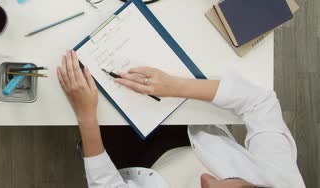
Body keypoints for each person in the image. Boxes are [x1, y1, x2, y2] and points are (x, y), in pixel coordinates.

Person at [57, 50, 305, 188]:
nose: (205, 178)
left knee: (98, 112)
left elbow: (105, 184)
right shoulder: (281, 181)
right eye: (229, 178)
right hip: (186, 131)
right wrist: (175, 86)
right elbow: (260, 103)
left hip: (137, 165)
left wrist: (86, 116)